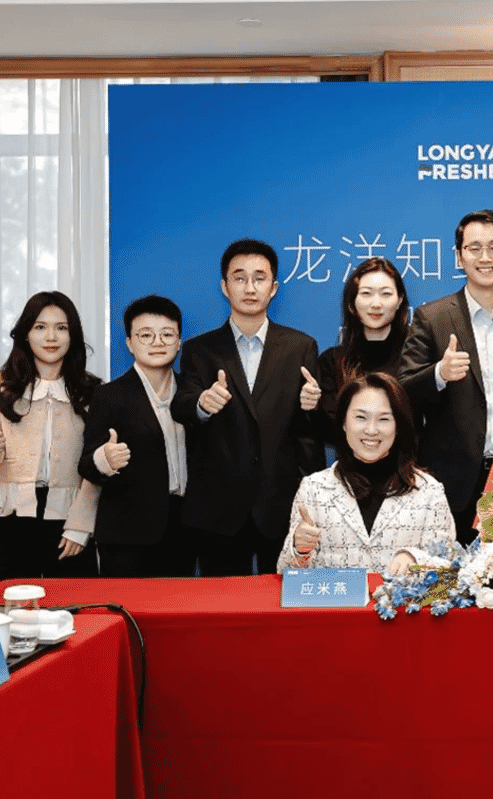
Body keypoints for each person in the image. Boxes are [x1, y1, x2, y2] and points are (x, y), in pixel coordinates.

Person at [172, 238, 325, 576]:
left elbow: (309, 436)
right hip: (219, 509)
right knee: (224, 615)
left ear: (273, 288)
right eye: (239, 278)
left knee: (285, 612)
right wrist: (202, 403)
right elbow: (181, 406)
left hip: (282, 504)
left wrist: (313, 407)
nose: (250, 287)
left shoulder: (300, 347)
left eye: (259, 278)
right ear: (225, 287)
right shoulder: (201, 350)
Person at [399, 209, 493, 544]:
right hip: (448, 479)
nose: (485, 257)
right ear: (459, 255)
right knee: (447, 585)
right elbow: (402, 392)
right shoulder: (431, 317)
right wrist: (438, 373)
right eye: (474, 248)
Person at [0, 290, 101, 582]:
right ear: (26, 334)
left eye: (61, 328)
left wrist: (81, 525)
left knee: (75, 615)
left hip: (70, 520)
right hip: (11, 516)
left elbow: (97, 467)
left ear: (72, 336)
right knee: (14, 614)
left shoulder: (93, 391)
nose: (51, 337)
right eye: (40, 327)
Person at [278, 373, 455, 573]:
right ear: (344, 422)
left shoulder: (428, 491)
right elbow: (285, 575)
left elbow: (448, 564)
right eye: (361, 417)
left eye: (384, 419)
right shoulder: (314, 489)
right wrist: (299, 549)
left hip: (399, 604)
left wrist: (416, 558)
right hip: (335, 604)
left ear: (398, 426)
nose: (371, 430)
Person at [79, 295, 193, 577]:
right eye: (146, 335)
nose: (157, 342)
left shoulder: (195, 393)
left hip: (184, 531)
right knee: (126, 617)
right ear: (129, 343)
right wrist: (104, 458)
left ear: (179, 342)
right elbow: (85, 465)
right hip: (126, 535)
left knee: (176, 618)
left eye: (167, 334)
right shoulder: (109, 396)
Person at [317, 257, 410, 448]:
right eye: (366, 294)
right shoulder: (332, 361)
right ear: (352, 303)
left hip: (409, 471)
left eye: (385, 294)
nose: (376, 304)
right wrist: (311, 408)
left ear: (399, 300)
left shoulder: (416, 357)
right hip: (348, 473)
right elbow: (327, 432)